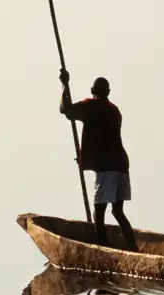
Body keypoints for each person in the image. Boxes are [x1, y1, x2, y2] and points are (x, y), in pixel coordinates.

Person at [58, 69, 138, 251]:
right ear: (108, 93)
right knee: (118, 211)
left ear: (92, 90)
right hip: (121, 166)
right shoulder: (114, 110)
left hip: (107, 168)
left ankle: (101, 250)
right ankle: (133, 248)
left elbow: (66, 110)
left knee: (99, 211)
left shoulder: (91, 106)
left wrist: (64, 84)